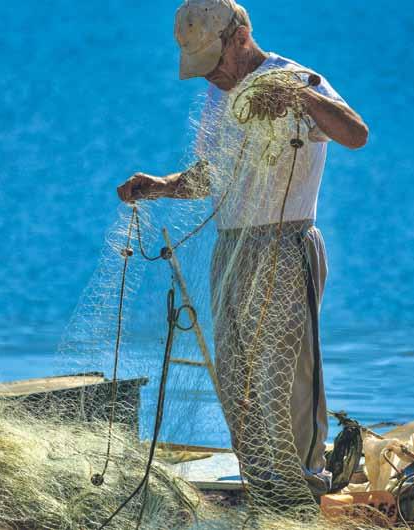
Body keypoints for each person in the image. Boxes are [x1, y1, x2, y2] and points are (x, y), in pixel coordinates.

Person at [117, 0, 368, 502]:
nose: (211, 76)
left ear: (239, 36)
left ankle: (305, 483)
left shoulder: (293, 77)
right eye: (202, 68)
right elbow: (213, 175)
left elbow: (355, 134)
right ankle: (262, 481)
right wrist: (162, 185)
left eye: (215, 62)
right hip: (232, 248)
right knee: (237, 373)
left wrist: (302, 97)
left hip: (287, 239)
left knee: (287, 371)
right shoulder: (218, 96)